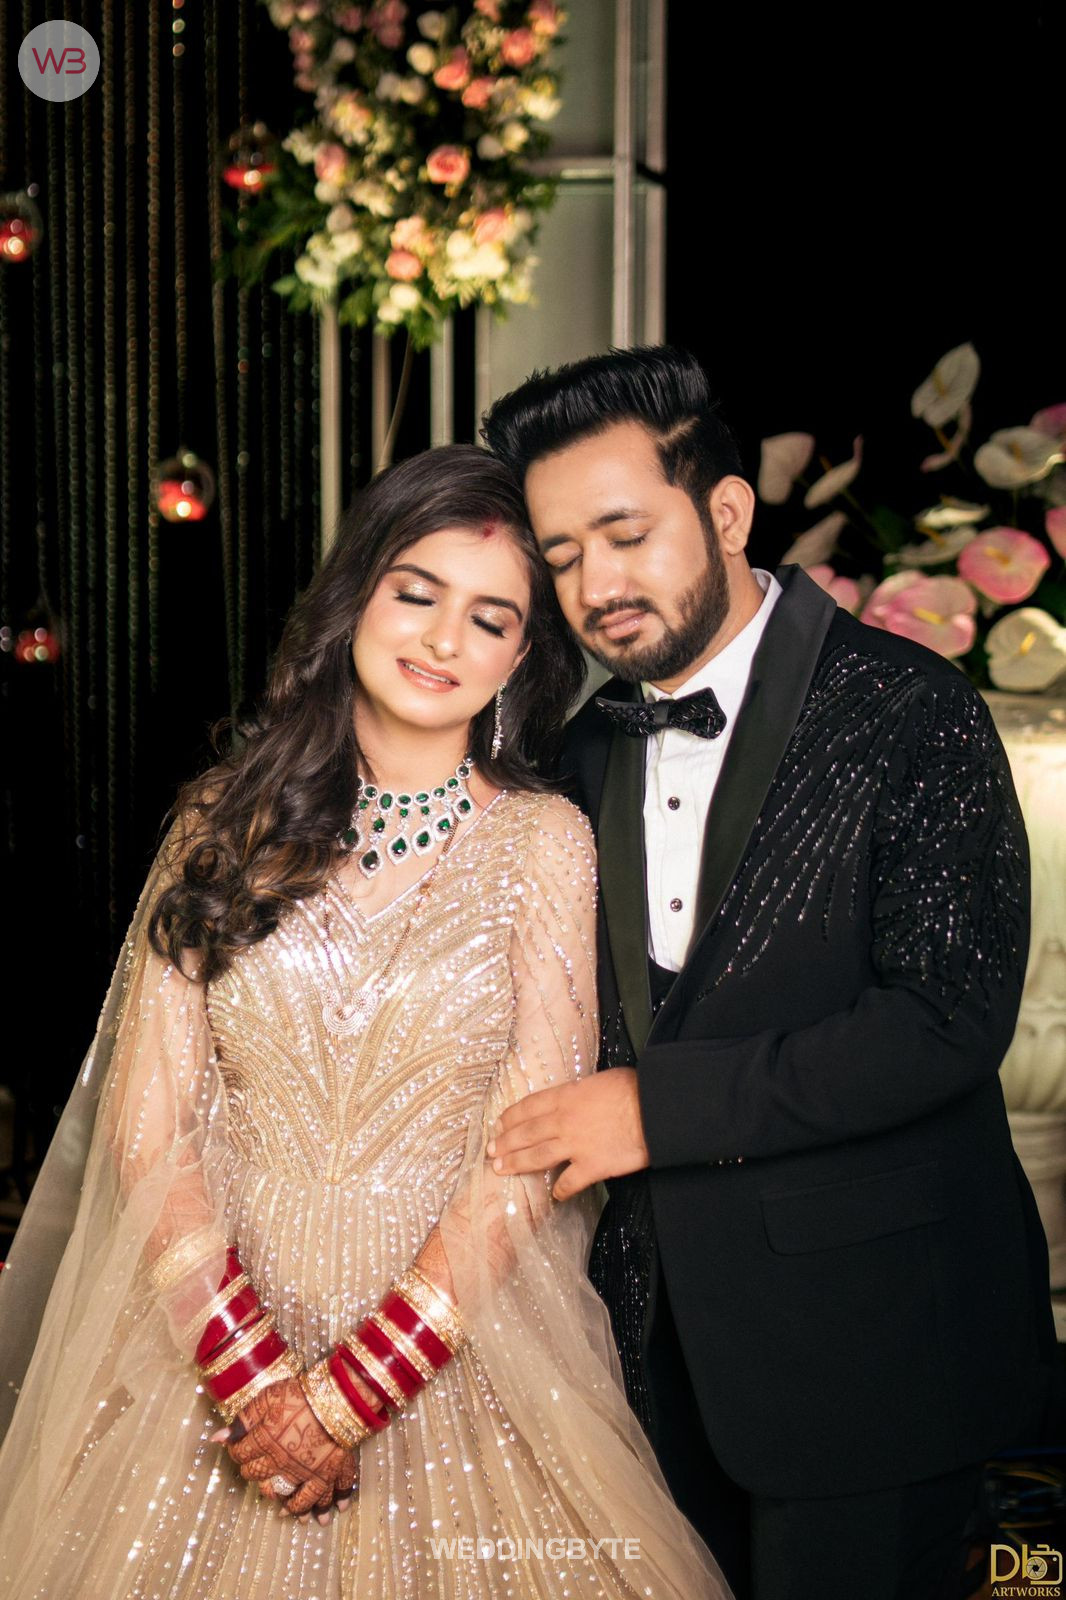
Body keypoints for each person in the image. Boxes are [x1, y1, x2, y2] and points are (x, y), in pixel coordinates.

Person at [0, 445, 733, 1600]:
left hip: (459, 1340)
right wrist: (257, 1382)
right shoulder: (222, 823)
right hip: (213, 1334)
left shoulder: (544, 844)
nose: (444, 641)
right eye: (416, 593)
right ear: (355, 597)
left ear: (522, 654)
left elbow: (526, 1146)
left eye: (489, 618)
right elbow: (148, 1126)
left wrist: (346, 1397)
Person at [480, 348, 1058, 1600]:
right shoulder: (578, 754)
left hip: (875, 1352)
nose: (595, 585)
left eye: (626, 535)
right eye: (562, 556)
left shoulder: (911, 708)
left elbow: (945, 1018)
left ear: (728, 511)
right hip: (640, 1357)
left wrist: (657, 1108)